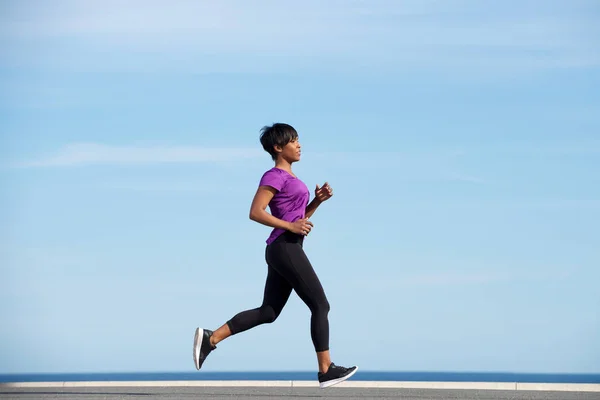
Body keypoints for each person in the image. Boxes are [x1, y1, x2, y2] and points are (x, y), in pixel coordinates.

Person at [193, 123, 358, 389]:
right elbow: (256, 212)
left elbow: (297, 218)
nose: (299, 145)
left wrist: (316, 203)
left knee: (268, 312)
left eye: (299, 140)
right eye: (293, 141)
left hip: (286, 247)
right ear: (278, 147)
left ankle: (210, 339)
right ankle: (325, 369)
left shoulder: (293, 179)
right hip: (285, 247)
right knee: (320, 305)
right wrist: (291, 227)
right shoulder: (273, 176)